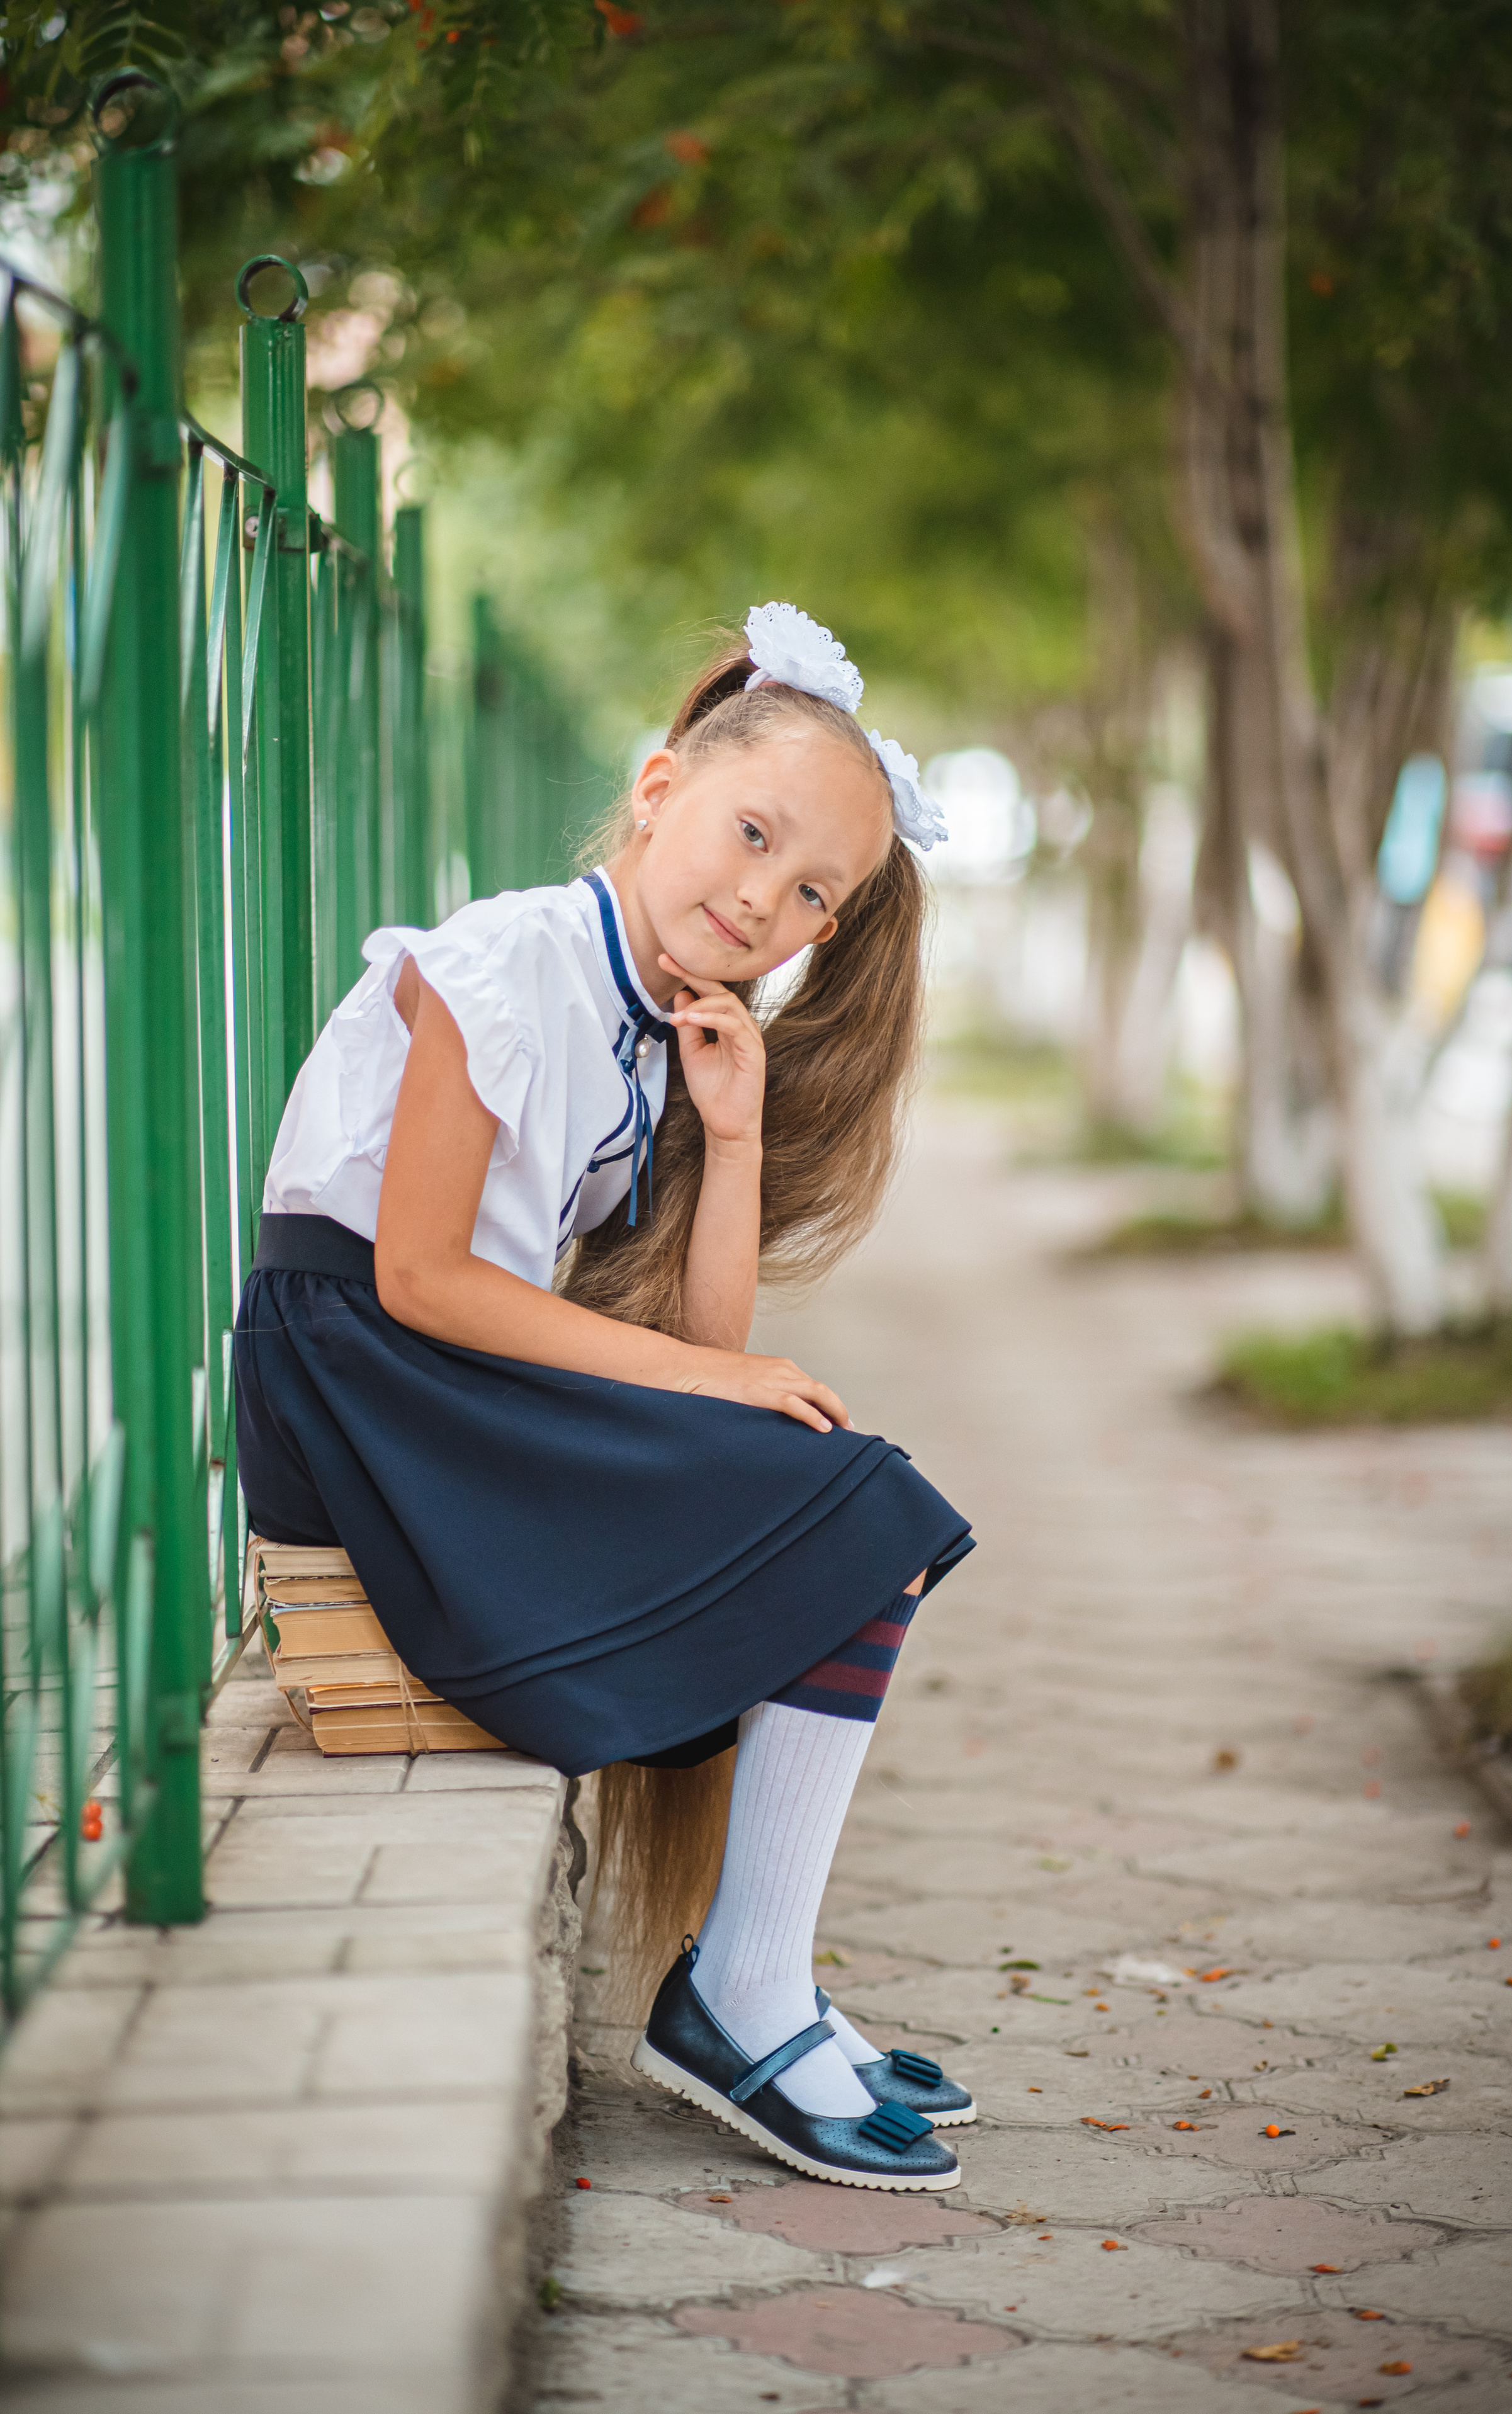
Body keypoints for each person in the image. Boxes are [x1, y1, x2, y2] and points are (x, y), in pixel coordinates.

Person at [234, 603, 976, 2190]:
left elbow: (707, 1364)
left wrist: (734, 1133)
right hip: (367, 1372)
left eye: (806, 892)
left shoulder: (656, 1037)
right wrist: (725, 1385)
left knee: (839, 1493)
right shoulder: (508, 963)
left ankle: (752, 1973)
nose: (759, 897)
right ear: (657, 791)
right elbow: (425, 1276)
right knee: (861, 1502)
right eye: (750, 833)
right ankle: (738, 1991)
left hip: (440, 1381)